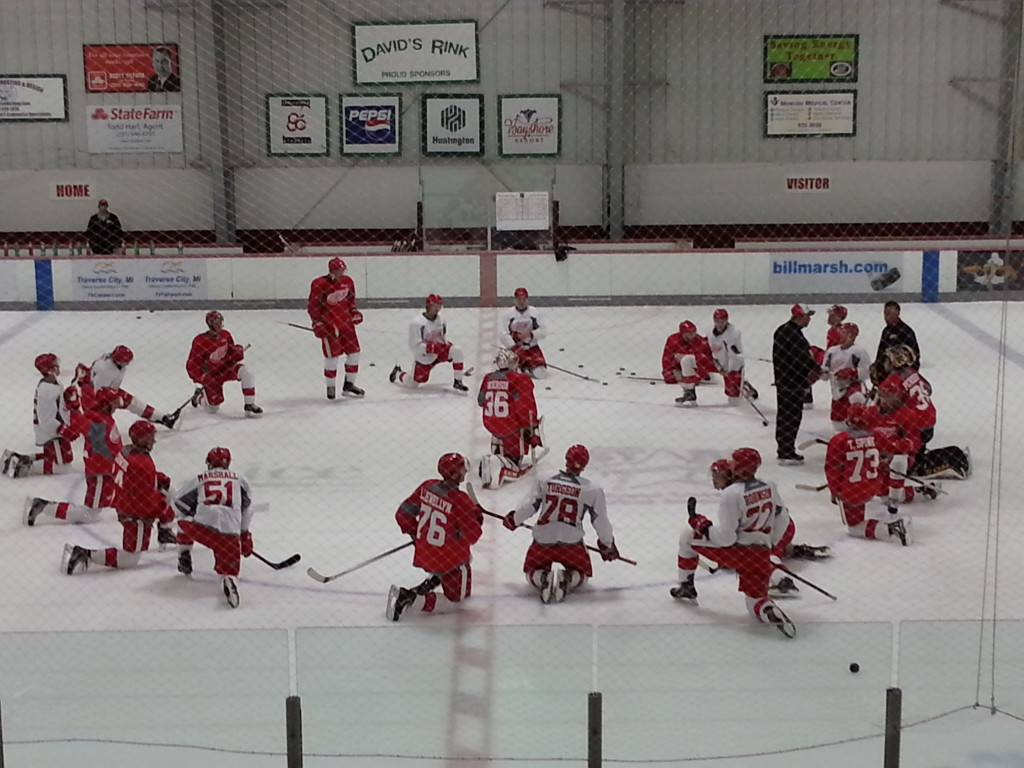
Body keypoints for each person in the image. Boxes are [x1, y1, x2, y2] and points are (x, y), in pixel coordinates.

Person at [671, 447, 796, 638]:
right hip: (760, 555)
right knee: (754, 602)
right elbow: (782, 518)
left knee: (687, 535)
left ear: (737, 467)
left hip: (738, 553)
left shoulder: (732, 493)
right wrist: (769, 544)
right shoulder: (769, 485)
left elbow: (725, 538)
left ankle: (686, 586)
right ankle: (768, 609)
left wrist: (703, 526)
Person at [503, 445, 619, 604]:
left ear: (566, 459)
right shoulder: (592, 490)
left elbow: (530, 506)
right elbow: (601, 521)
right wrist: (607, 544)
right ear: (585, 464)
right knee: (582, 574)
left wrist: (514, 519)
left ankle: (543, 578)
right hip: (572, 543)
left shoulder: (544, 479)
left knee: (531, 572)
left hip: (543, 540)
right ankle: (568, 578)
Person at [61, 420, 176, 575]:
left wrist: (156, 478)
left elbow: (134, 477)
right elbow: (146, 502)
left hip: (123, 502)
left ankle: (164, 532)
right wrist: (163, 511)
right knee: (129, 558)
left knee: (166, 498)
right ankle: (84, 554)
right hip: (135, 514)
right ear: (140, 439)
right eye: (150, 437)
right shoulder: (143, 464)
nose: (153, 440)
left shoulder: (126, 450)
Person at [703, 458, 830, 599]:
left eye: (717, 476)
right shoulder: (744, 489)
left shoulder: (735, 494)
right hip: (781, 527)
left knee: (759, 557)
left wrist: (768, 545)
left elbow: (775, 519)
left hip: (780, 529)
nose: (714, 480)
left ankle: (783, 581)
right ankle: (792, 549)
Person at [386, 453, 483, 621]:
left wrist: (417, 535)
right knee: (457, 601)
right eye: (461, 469)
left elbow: (403, 514)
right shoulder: (461, 501)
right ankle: (411, 598)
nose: (464, 471)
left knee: (443, 561)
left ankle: (434, 579)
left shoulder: (427, 486)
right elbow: (472, 536)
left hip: (424, 554)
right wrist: (477, 519)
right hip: (450, 560)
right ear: (455, 474)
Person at [23, 387, 127, 526]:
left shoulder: (101, 418)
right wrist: (72, 409)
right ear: (105, 404)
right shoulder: (98, 421)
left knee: (107, 501)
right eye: (113, 404)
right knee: (90, 514)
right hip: (101, 472)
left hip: (105, 470)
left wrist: (74, 408)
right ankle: (43, 507)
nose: (115, 407)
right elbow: (82, 425)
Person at [173, 447, 254, 609]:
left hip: (203, 530)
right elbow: (247, 509)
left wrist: (196, 510)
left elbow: (178, 503)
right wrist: (244, 536)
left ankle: (184, 556)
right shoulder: (241, 480)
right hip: (230, 536)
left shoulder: (200, 478)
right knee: (229, 570)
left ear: (209, 463)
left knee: (184, 520)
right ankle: (229, 580)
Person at [825, 403, 913, 545]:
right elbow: (896, 449)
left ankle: (890, 529)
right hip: (873, 487)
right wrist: (906, 443)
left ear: (848, 420)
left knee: (854, 528)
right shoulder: (877, 436)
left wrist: (834, 491)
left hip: (851, 491)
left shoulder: (838, 440)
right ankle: (916, 493)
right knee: (890, 473)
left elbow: (832, 470)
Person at [477, 348, 545, 489]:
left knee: (503, 434)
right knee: (514, 460)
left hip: (490, 424)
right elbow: (526, 407)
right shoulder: (521, 379)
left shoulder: (488, 378)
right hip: (511, 427)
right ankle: (499, 465)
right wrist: (530, 428)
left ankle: (498, 455)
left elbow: (481, 400)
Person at [2, 354, 77, 478]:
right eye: (55, 364)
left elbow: (56, 407)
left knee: (62, 458)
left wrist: (66, 399)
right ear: (50, 369)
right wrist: (63, 430)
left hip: (54, 430)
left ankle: (21, 459)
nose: (58, 366)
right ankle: (24, 467)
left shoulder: (53, 383)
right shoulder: (46, 391)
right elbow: (46, 419)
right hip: (52, 434)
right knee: (63, 468)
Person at [73, 345, 180, 429]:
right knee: (100, 421)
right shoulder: (105, 371)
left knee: (133, 402)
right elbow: (98, 393)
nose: (128, 363)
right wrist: (111, 401)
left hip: (106, 390)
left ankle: (162, 418)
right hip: (94, 396)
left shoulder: (113, 363)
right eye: (126, 361)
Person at [186, 310, 263, 417]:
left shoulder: (226, 335)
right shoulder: (200, 341)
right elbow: (192, 365)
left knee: (246, 372)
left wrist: (237, 351)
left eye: (220, 321)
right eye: (215, 322)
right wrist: (203, 378)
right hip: (212, 377)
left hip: (226, 369)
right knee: (213, 409)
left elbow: (231, 352)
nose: (219, 324)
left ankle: (249, 404)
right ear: (210, 324)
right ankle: (199, 397)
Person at [307, 257, 364, 400]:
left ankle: (349, 385)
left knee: (355, 353)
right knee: (332, 357)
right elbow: (313, 306)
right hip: (330, 327)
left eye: (343, 270)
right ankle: (330, 386)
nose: (341, 273)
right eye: (339, 270)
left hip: (346, 324)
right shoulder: (319, 284)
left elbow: (351, 301)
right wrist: (317, 322)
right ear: (331, 271)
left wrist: (355, 313)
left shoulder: (348, 282)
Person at [772, 304, 821, 464]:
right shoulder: (792, 335)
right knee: (791, 416)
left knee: (785, 415)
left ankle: (785, 448)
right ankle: (786, 451)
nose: (809, 319)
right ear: (799, 316)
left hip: (785, 381)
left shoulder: (784, 331)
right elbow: (801, 359)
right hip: (792, 383)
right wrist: (815, 368)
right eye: (808, 316)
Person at [389, 294, 469, 393]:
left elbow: (442, 336)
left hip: (439, 352)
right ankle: (397, 373)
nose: (437, 308)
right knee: (412, 384)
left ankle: (458, 381)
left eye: (439, 305)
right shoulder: (417, 323)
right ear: (428, 306)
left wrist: (447, 344)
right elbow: (413, 345)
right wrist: (430, 348)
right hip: (425, 357)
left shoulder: (442, 320)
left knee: (457, 350)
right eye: (435, 305)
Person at [821, 322, 870, 432]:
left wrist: (852, 372)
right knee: (838, 424)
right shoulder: (831, 352)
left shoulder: (859, 351)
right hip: (837, 390)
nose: (840, 334)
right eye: (841, 332)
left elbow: (868, 372)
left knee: (857, 399)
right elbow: (825, 374)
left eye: (844, 332)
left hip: (853, 387)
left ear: (852, 335)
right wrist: (818, 372)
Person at [706, 308, 757, 405]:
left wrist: (728, 370)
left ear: (727, 320)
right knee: (695, 361)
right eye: (717, 320)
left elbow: (734, 355)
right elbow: (708, 348)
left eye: (722, 321)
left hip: (733, 366)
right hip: (717, 363)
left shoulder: (733, 333)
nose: (720, 324)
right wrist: (716, 364)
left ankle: (746, 387)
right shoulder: (709, 331)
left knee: (734, 402)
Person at [661, 320, 716, 406]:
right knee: (669, 378)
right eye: (689, 333)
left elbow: (706, 362)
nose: (693, 335)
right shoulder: (672, 340)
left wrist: (696, 377)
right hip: (678, 369)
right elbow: (667, 357)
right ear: (682, 333)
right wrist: (667, 371)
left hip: (695, 369)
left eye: (694, 332)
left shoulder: (702, 343)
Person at [499, 287, 548, 378]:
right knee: (512, 375)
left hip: (531, 348)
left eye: (524, 299)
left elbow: (543, 331)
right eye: (519, 299)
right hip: (514, 349)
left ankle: (529, 366)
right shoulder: (508, 314)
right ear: (515, 300)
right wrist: (514, 346)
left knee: (541, 374)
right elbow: (503, 334)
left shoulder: (534, 313)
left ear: (527, 300)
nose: (521, 302)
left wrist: (530, 334)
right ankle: (519, 366)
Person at [875, 301, 920, 370]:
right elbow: (880, 353)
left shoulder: (906, 331)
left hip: (903, 373)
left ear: (897, 313)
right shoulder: (886, 331)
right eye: (885, 314)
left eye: (889, 314)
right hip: (887, 375)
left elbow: (915, 355)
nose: (886, 317)